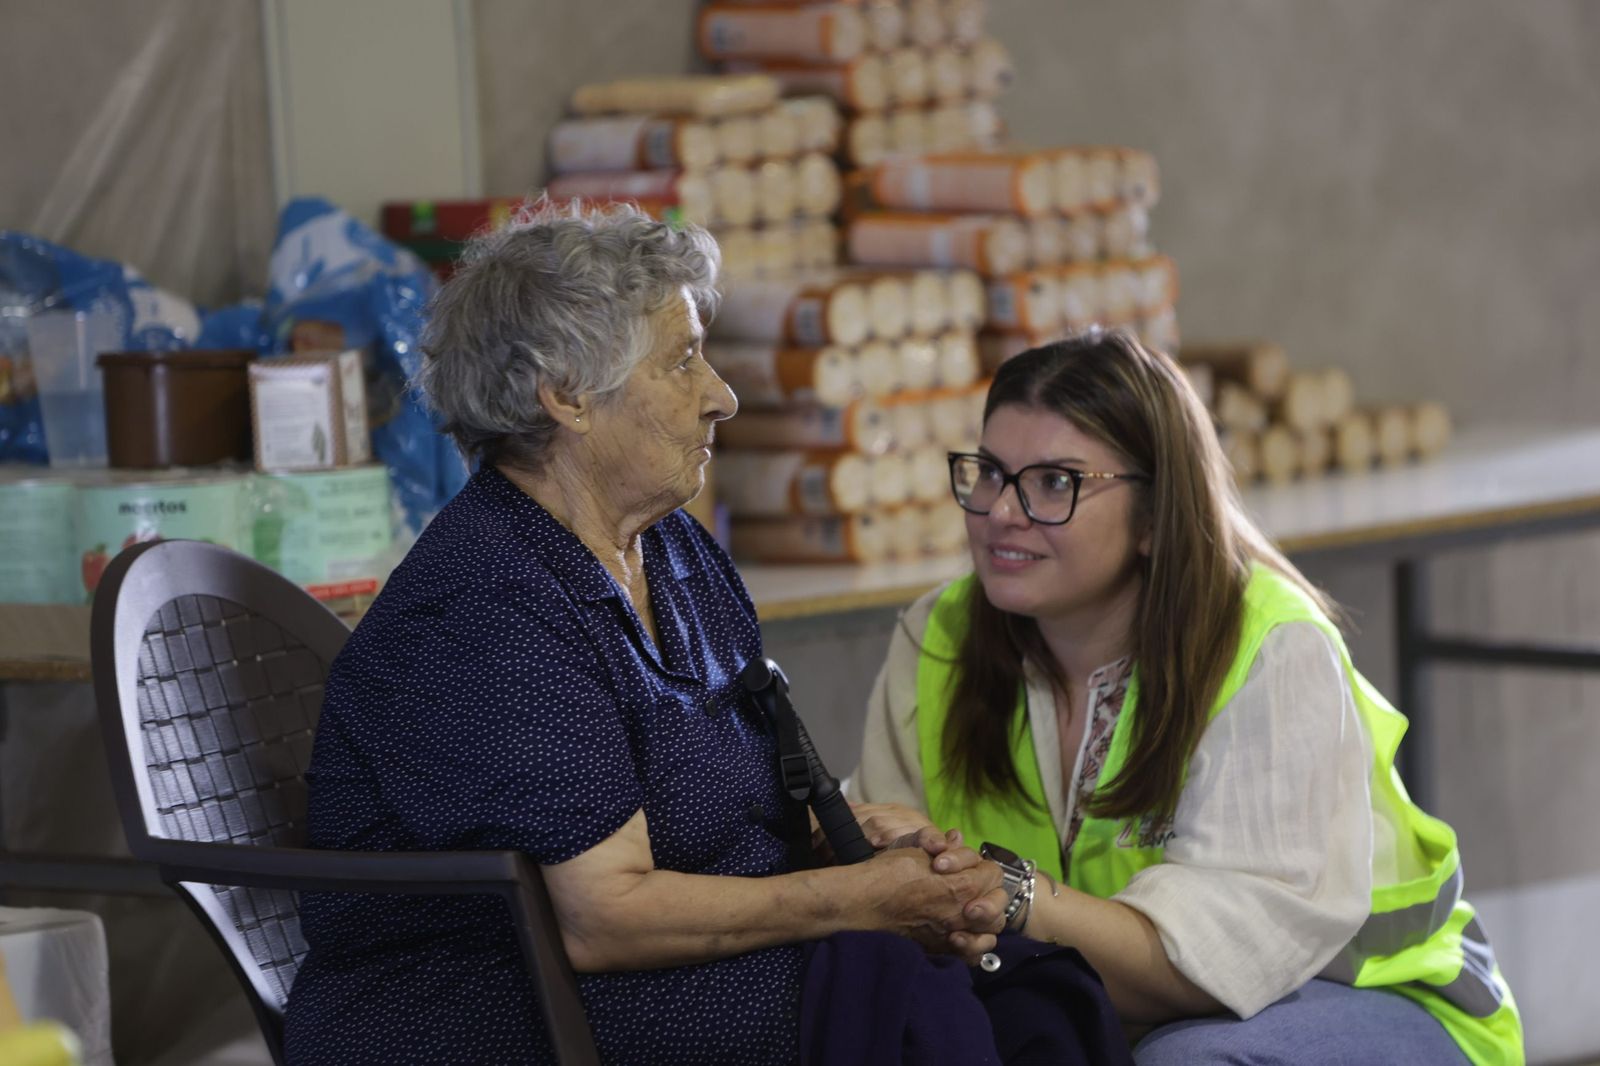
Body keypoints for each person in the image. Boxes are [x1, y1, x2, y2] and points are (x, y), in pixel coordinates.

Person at [280, 201, 1010, 1065]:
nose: (722, 397)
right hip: (496, 1007)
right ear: (565, 395)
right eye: (683, 360)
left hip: (646, 978)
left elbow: (722, 799)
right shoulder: (486, 604)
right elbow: (602, 918)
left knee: (1020, 984)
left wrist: (854, 837)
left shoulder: (670, 550)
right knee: (913, 1006)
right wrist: (861, 900)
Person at [848, 330, 1524, 1066]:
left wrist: (1008, 896)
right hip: (1116, 1004)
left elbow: (1209, 972)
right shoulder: (940, 634)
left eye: (1054, 482)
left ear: (1153, 515)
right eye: (989, 473)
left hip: (1374, 1002)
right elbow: (891, 889)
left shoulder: (1265, 647)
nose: (1002, 512)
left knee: (1188, 1062)